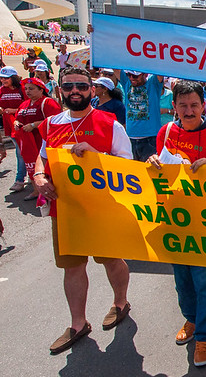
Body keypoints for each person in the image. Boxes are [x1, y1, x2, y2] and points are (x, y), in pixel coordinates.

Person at [32, 67, 133, 354]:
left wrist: (97, 156)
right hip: (64, 210)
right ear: (60, 90)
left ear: (92, 89)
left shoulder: (110, 124)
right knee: (72, 267)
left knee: (111, 260)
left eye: (80, 85)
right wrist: (39, 177)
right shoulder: (51, 124)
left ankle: (120, 302)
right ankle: (78, 323)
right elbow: (42, 159)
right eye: (68, 86)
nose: (74, 91)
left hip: (101, 209)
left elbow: (127, 168)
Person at [146, 80, 206, 367]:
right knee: (182, 280)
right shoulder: (165, 132)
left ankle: (204, 336)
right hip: (175, 219)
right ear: (173, 106)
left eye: (194, 105)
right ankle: (190, 318)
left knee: (205, 282)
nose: (189, 111)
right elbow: (159, 171)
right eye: (183, 105)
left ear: (204, 106)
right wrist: (152, 164)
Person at [13, 78, 61, 200]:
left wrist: (34, 125)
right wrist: (16, 122)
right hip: (27, 142)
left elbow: (55, 120)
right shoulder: (24, 104)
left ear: (41, 90)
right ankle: (36, 190)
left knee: (44, 165)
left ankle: (49, 191)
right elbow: (18, 116)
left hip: (42, 141)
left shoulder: (48, 102)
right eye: (26, 89)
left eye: (32, 88)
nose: (28, 91)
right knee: (30, 164)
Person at [119, 70, 164, 161]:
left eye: (135, 76)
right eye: (129, 75)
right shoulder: (127, 83)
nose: (131, 78)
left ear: (145, 74)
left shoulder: (153, 84)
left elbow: (160, 68)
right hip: (130, 138)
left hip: (150, 139)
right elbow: (114, 66)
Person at [0, 66, 27, 193]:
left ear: (13, 78)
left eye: (6, 78)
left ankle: (19, 179)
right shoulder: (1, 90)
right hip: (8, 125)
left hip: (22, 125)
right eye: (1, 78)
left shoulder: (22, 89)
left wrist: (14, 110)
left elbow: (29, 105)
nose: (3, 80)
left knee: (20, 152)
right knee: (21, 151)